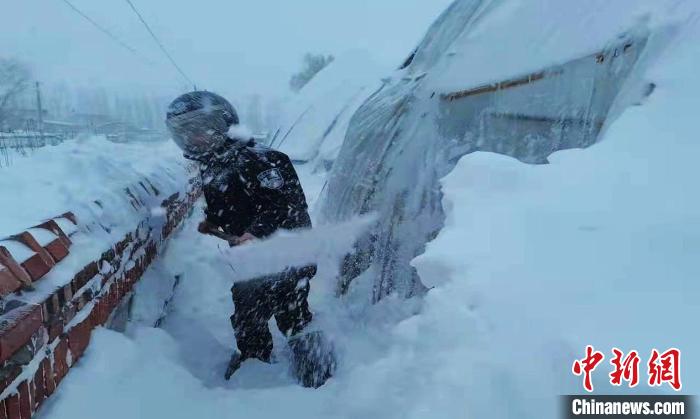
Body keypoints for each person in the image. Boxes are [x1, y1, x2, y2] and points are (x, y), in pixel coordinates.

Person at [165, 91, 330, 386]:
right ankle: (255, 360)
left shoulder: (264, 160)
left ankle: (315, 364)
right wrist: (214, 221)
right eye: (186, 132)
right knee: (247, 312)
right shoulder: (213, 165)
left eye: (202, 129)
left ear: (224, 124)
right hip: (250, 258)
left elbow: (280, 205)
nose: (195, 138)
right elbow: (229, 205)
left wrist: (255, 232)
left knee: (291, 309)